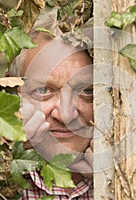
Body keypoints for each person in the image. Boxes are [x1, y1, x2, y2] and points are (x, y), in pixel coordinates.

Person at [10, 27, 94, 199]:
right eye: (43, 90)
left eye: (86, 91)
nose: (65, 116)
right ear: (9, 87)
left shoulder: (133, 176)